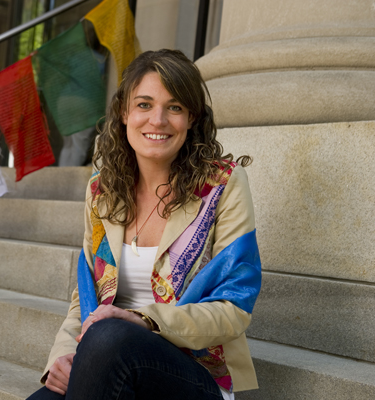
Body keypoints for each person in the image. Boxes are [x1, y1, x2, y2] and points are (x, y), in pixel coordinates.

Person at [28, 49, 261, 400]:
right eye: (144, 105)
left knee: (109, 336)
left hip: (188, 373)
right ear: (124, 113)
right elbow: (85, 295)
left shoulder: (221, 185)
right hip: (104, 360)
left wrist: (145, 320)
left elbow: (234, 309)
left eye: (175, 107)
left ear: (191, 118)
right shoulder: (101, 189)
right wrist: (60, 358)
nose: (158, 120)